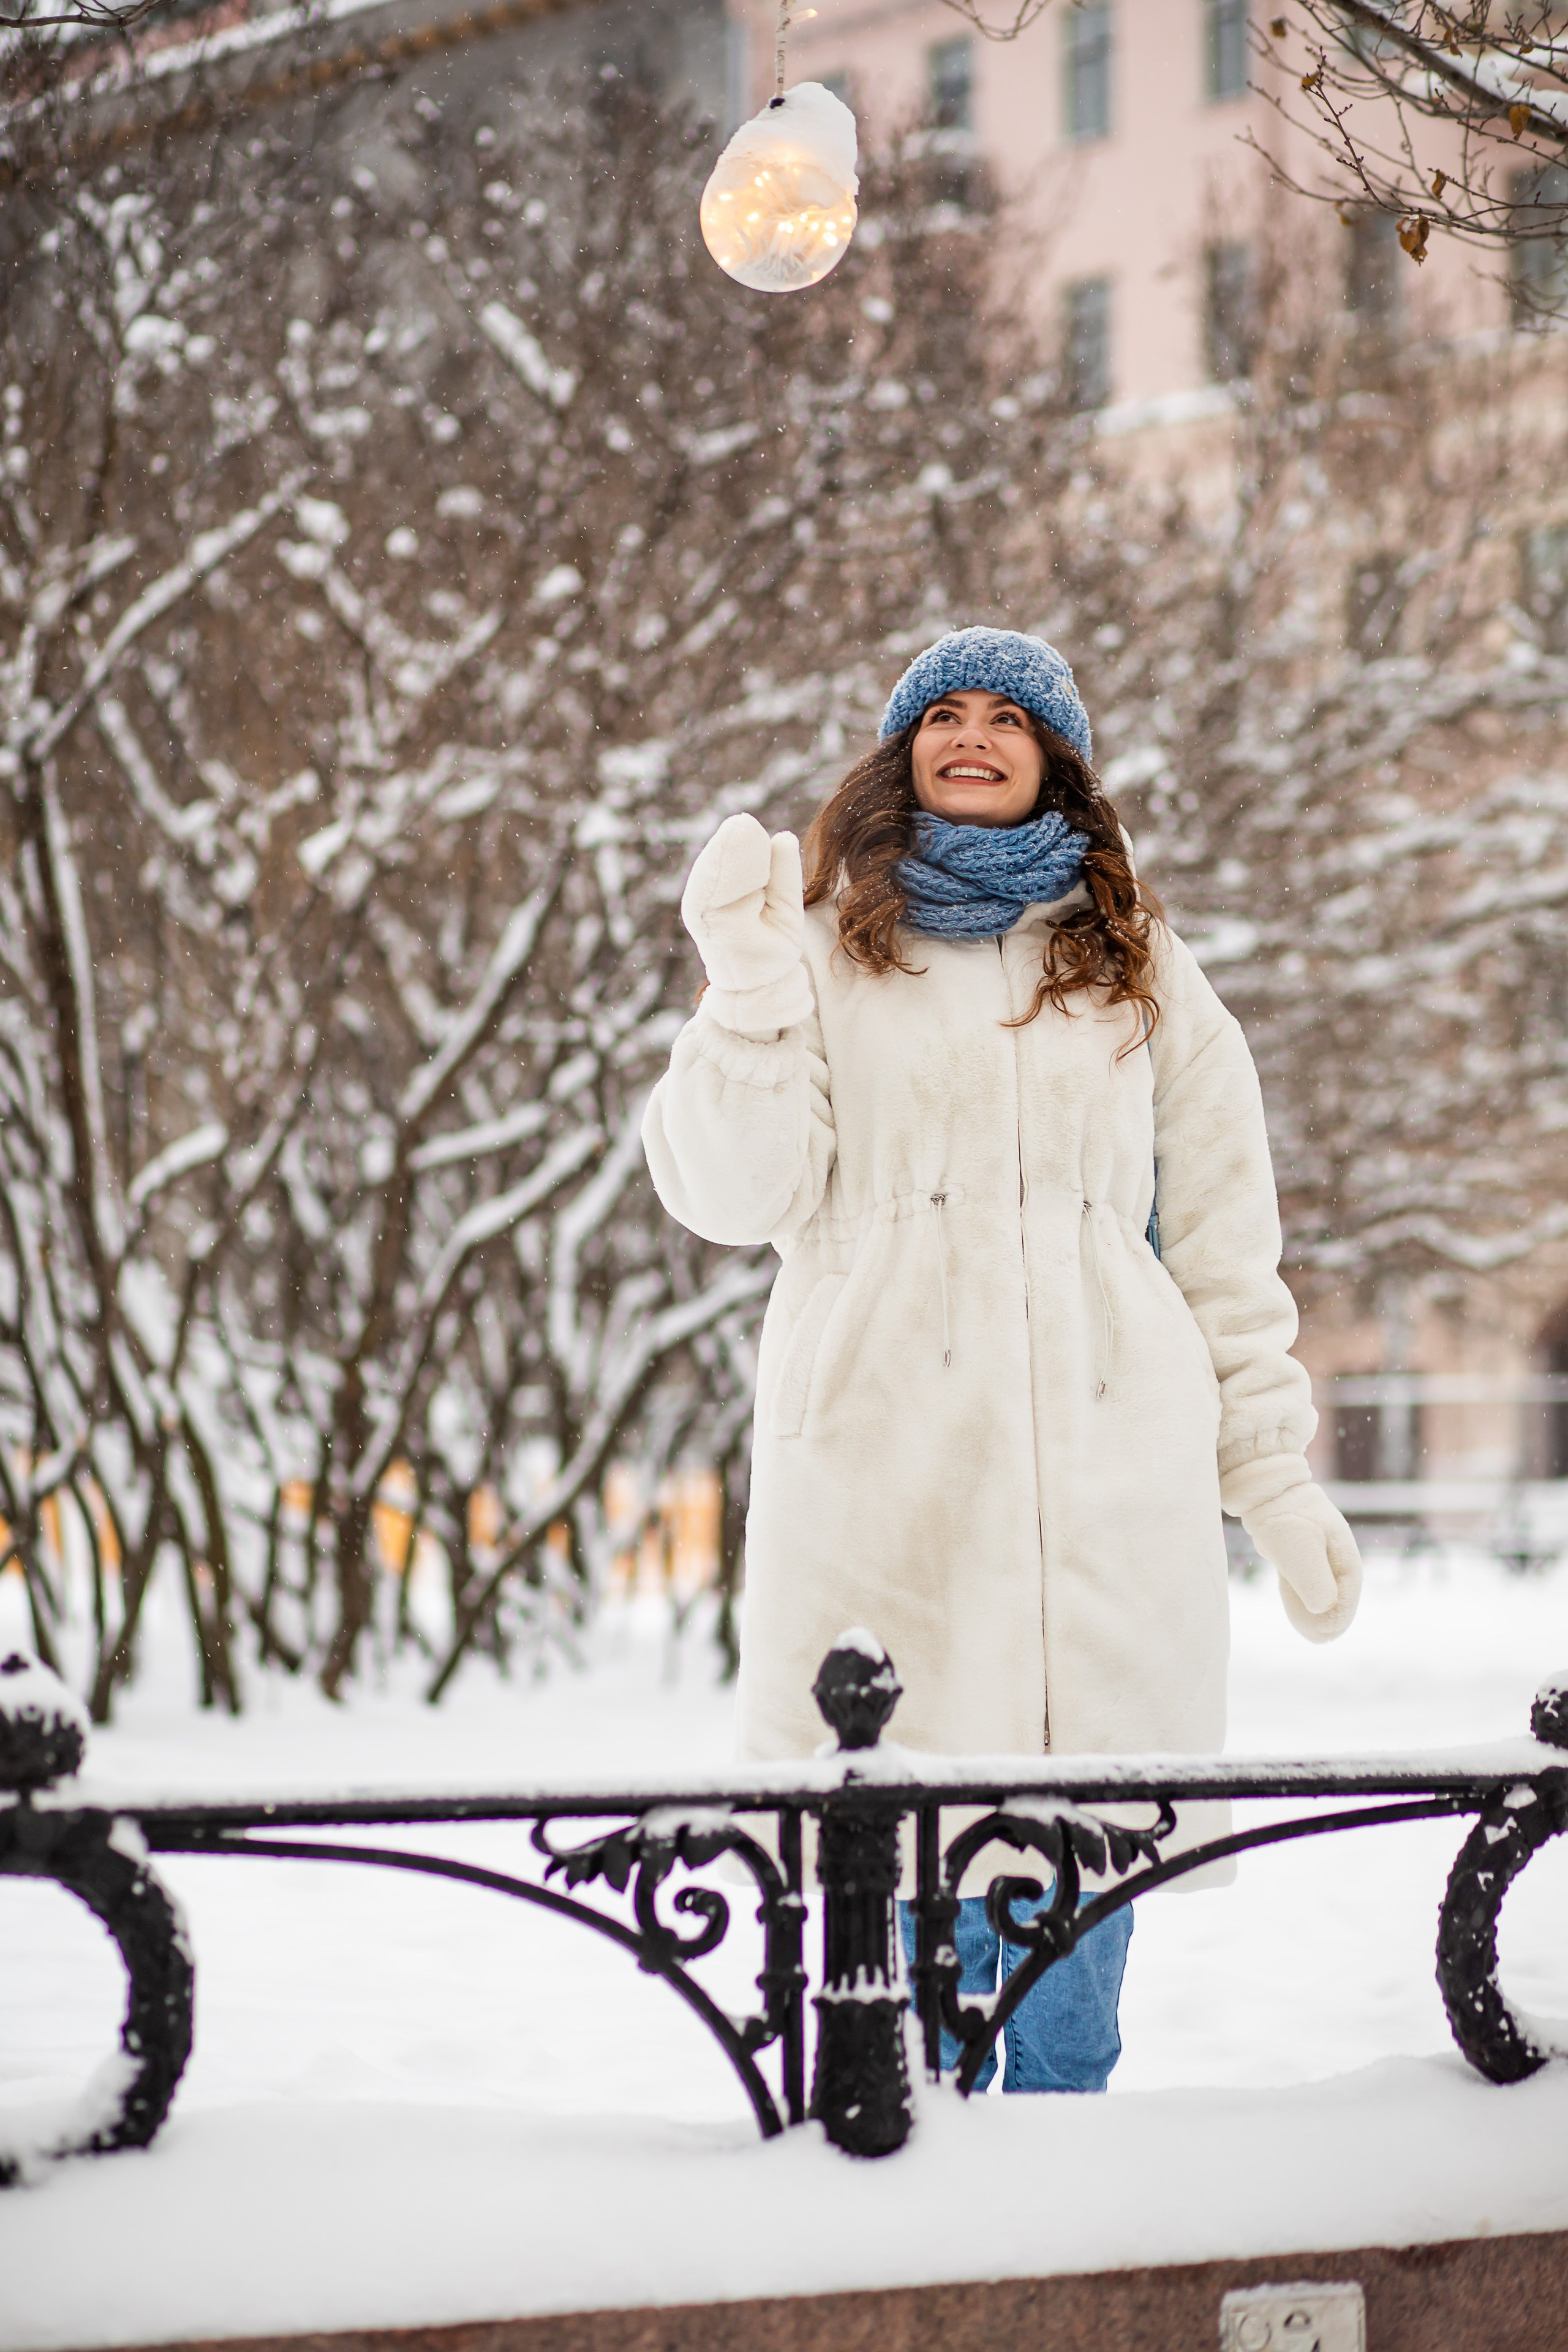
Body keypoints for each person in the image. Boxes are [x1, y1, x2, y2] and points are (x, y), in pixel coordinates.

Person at [642, 627, 1362, 2096]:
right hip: (879, 1494)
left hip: (1098, 1508)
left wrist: (1266, 1476)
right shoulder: (827, 945)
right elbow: (732, 1193)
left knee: (1059, 2023)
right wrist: (743, 994)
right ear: (901, 749)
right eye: (940, 716)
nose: (969, 737)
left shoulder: (1143, 966)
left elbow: (1222, 1245)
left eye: (1005, 718)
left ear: (1055, 761)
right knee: (878, 2028)